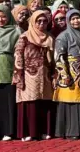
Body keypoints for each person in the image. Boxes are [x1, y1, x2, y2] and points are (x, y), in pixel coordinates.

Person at [14, 10, 55, 141]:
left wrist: (54, 74)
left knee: (44, 102)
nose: (42, 24)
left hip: (45, 75)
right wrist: (19, 75)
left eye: (44, 21)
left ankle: (43, 131)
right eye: (39, 21)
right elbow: (18, 56)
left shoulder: (49, 38)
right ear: (33, 22)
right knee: (29, 101)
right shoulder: (25, 37)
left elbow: (53, 59)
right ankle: (28, 132)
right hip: (28, 75)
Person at [54, 10, 80, 140]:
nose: (76, 21)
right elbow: (59, 57)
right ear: (68, 20)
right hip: (70, 72)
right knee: (70, 102)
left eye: (78, 18)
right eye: (72, 19)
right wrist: (64, 74)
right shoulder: (63, 36)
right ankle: (69, 130)